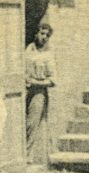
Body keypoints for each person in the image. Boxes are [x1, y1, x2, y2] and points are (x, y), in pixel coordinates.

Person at [25, 23, 56, 164]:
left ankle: (28, 155)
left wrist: (35, 82)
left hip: (38, 92)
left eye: (47, 35)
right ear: (36, 33)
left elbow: (53, 80)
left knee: (31, 124)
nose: (44, 37)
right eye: (42, 33)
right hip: (24, 90)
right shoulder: (28, 50)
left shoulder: (48, 55)